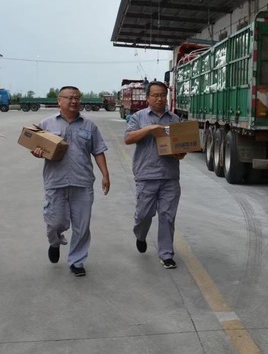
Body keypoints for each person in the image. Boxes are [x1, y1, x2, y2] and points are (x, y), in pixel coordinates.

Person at [32, 86, 110, 277]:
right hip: (55, 181)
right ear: (59, 101)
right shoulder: (46, 124)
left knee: (82, 225)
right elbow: (34, 146)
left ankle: (77, 261)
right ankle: (55, 241)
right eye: (69, 98)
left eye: (77, 98)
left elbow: (98, 150)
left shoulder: (89, 126)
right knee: (54, 221)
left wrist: (105, 175)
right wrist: (36, 153)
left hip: (82, 182)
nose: (74, 101)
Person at [124, 81, 185, 269]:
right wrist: (150, 129)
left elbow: (182, 146)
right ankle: (140, 235)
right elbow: (128, 138)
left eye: (162, 95)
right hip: (146, 174)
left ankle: (166, 254)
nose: (159, 99)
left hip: (169, 175)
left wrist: (180, 152)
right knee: (144, 214)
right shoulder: (138, 117)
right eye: (155, 95)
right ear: (148, 97)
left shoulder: (175, 119)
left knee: (167, 215)